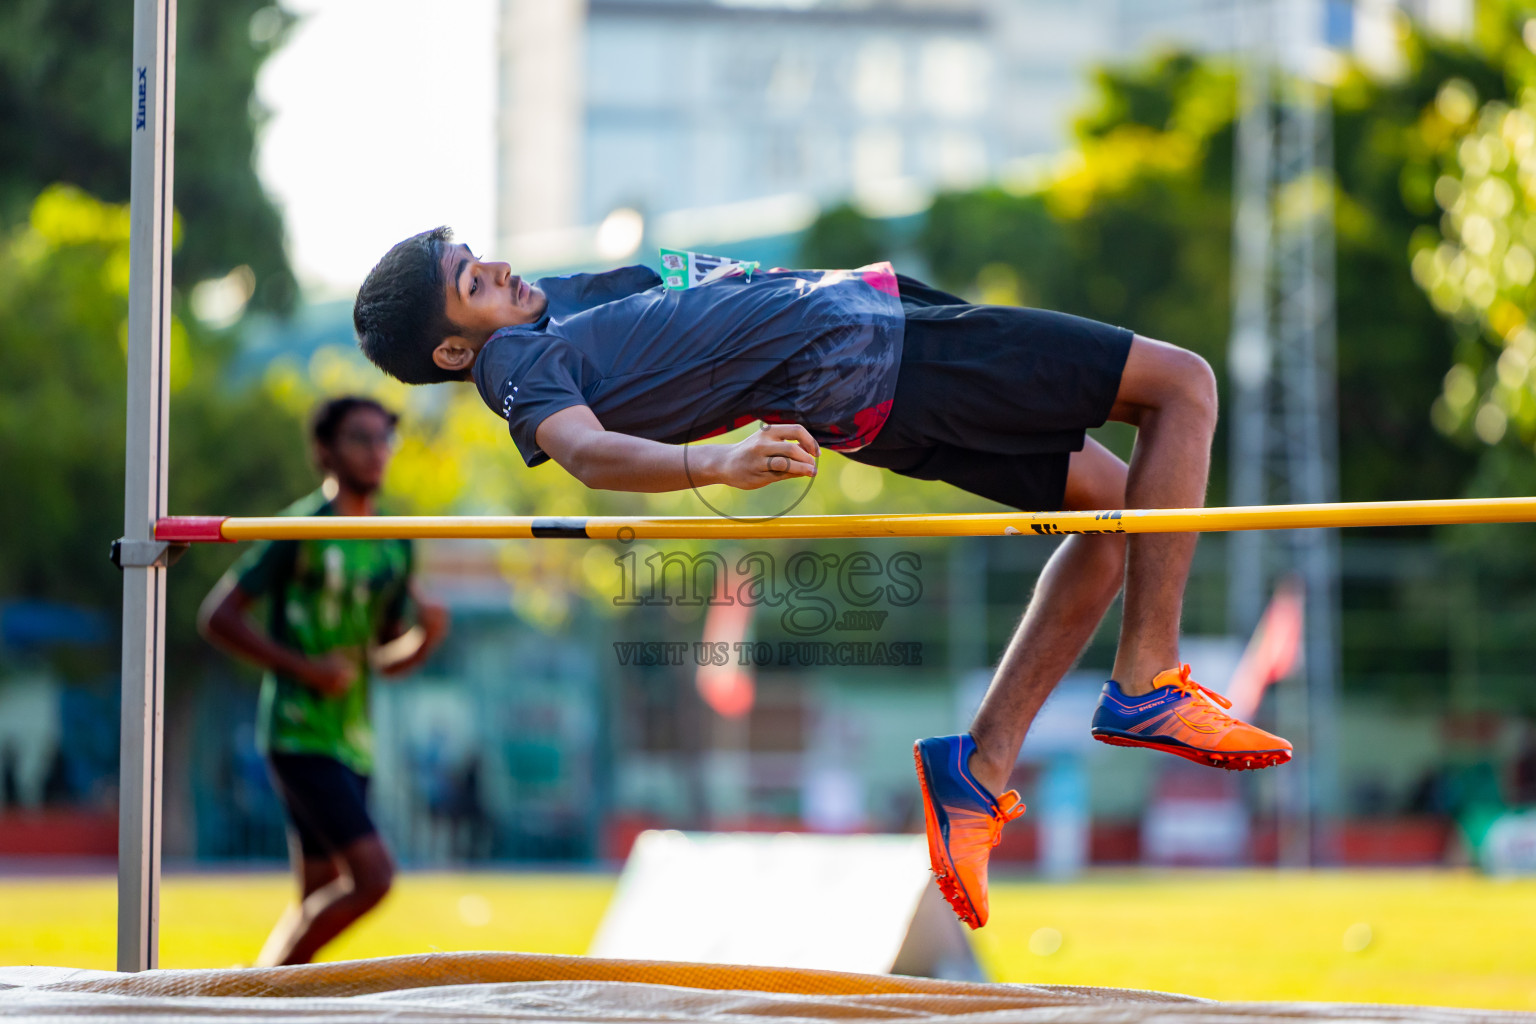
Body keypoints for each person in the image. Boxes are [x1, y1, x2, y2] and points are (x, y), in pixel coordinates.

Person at [351, 227, 1290, 929]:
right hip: (875, 353)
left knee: (1121, 522)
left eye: (479, 253)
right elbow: (586, 452)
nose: (499, 268)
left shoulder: (541, 308)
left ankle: (978, 768)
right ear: (453, 350)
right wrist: (711, 468)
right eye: (472, 281)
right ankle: (1145, 681)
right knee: (1182, 386)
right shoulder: (516, 359)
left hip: (872, 333)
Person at [199, 396, 448, 964]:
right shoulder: (298, 529)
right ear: (325, 451)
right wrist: (307, 669)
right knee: (375, 878)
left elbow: (382, 659)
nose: (377, 450)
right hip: (296, 731)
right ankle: (258, 990)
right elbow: (218, 616)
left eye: (385, 438)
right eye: (360, 438)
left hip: (352, 739)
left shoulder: (396, 541)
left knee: (316, 896)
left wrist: (426, 637)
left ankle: (270, 997)